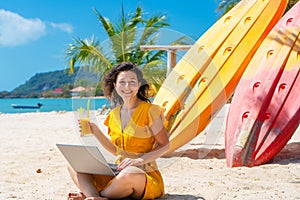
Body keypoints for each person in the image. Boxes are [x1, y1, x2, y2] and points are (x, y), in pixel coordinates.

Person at [68, 62, 170, 200]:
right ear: (115, 86)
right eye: (122, 82)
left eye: (132, 82)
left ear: (139, 85)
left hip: (141, 174)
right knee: (74, 164)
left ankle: (95, 195)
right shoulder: (114, 114)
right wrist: (95, 130)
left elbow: (165, 145)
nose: (127, 87)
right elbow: (116, 151)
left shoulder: (150, 111)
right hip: (118, 170)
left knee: (129, 174)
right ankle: (93, 197)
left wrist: (139, 160)